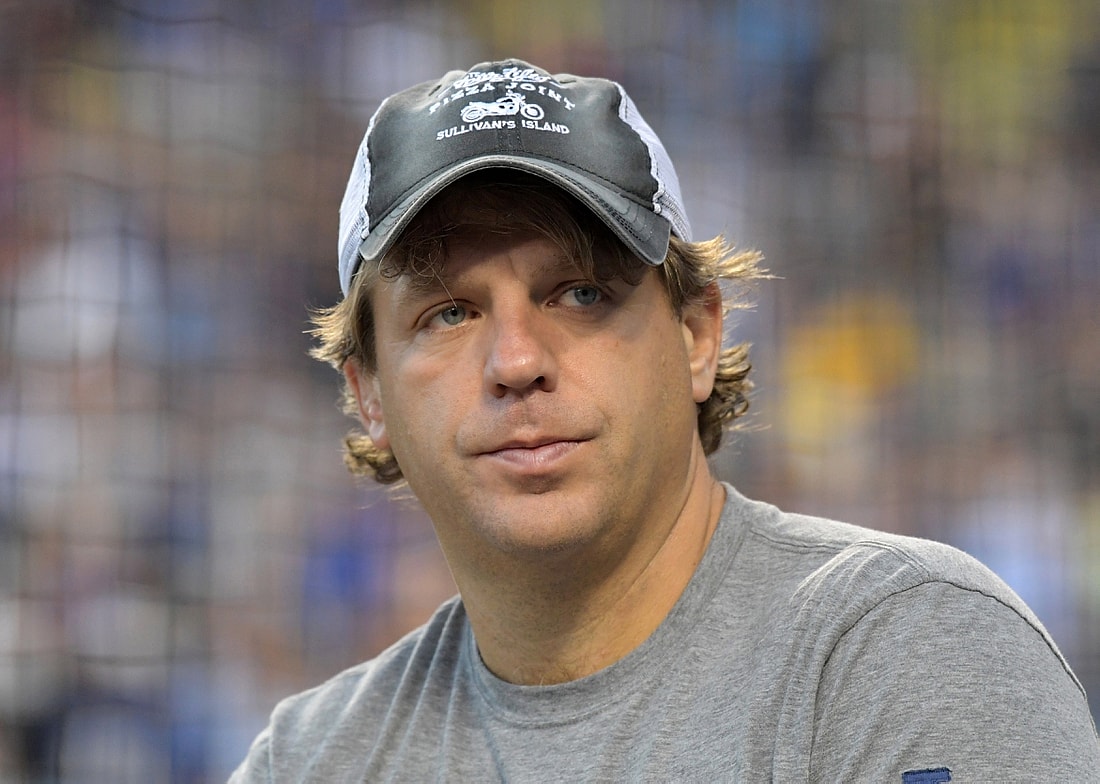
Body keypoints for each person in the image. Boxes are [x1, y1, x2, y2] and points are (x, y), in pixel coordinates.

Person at [230, 58, 1099, 782]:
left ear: (695, 336)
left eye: (580, 292)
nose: (516, 361)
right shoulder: (310, 762)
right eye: (448, 314)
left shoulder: (906, 651)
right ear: (368, 392)